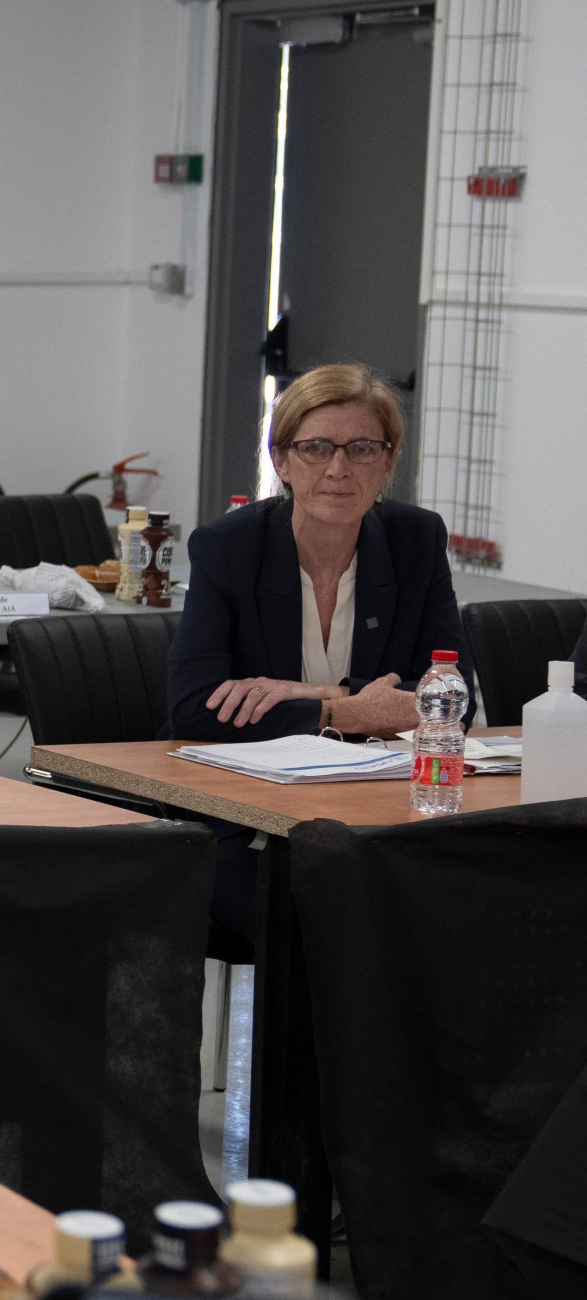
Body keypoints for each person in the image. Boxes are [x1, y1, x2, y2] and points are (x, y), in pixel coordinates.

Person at [167, 364, 462, 937]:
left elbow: (449, 696)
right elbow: (194, 706)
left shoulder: (416, 540)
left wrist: (317, 693)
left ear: (389, 462)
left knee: (457, 889)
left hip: (375, 804)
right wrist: (342, 712)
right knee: (318, 910)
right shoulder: (230, 546)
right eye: (316, 448)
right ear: (281, 461)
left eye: (362, 449)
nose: (338, 469)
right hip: (243, 809)